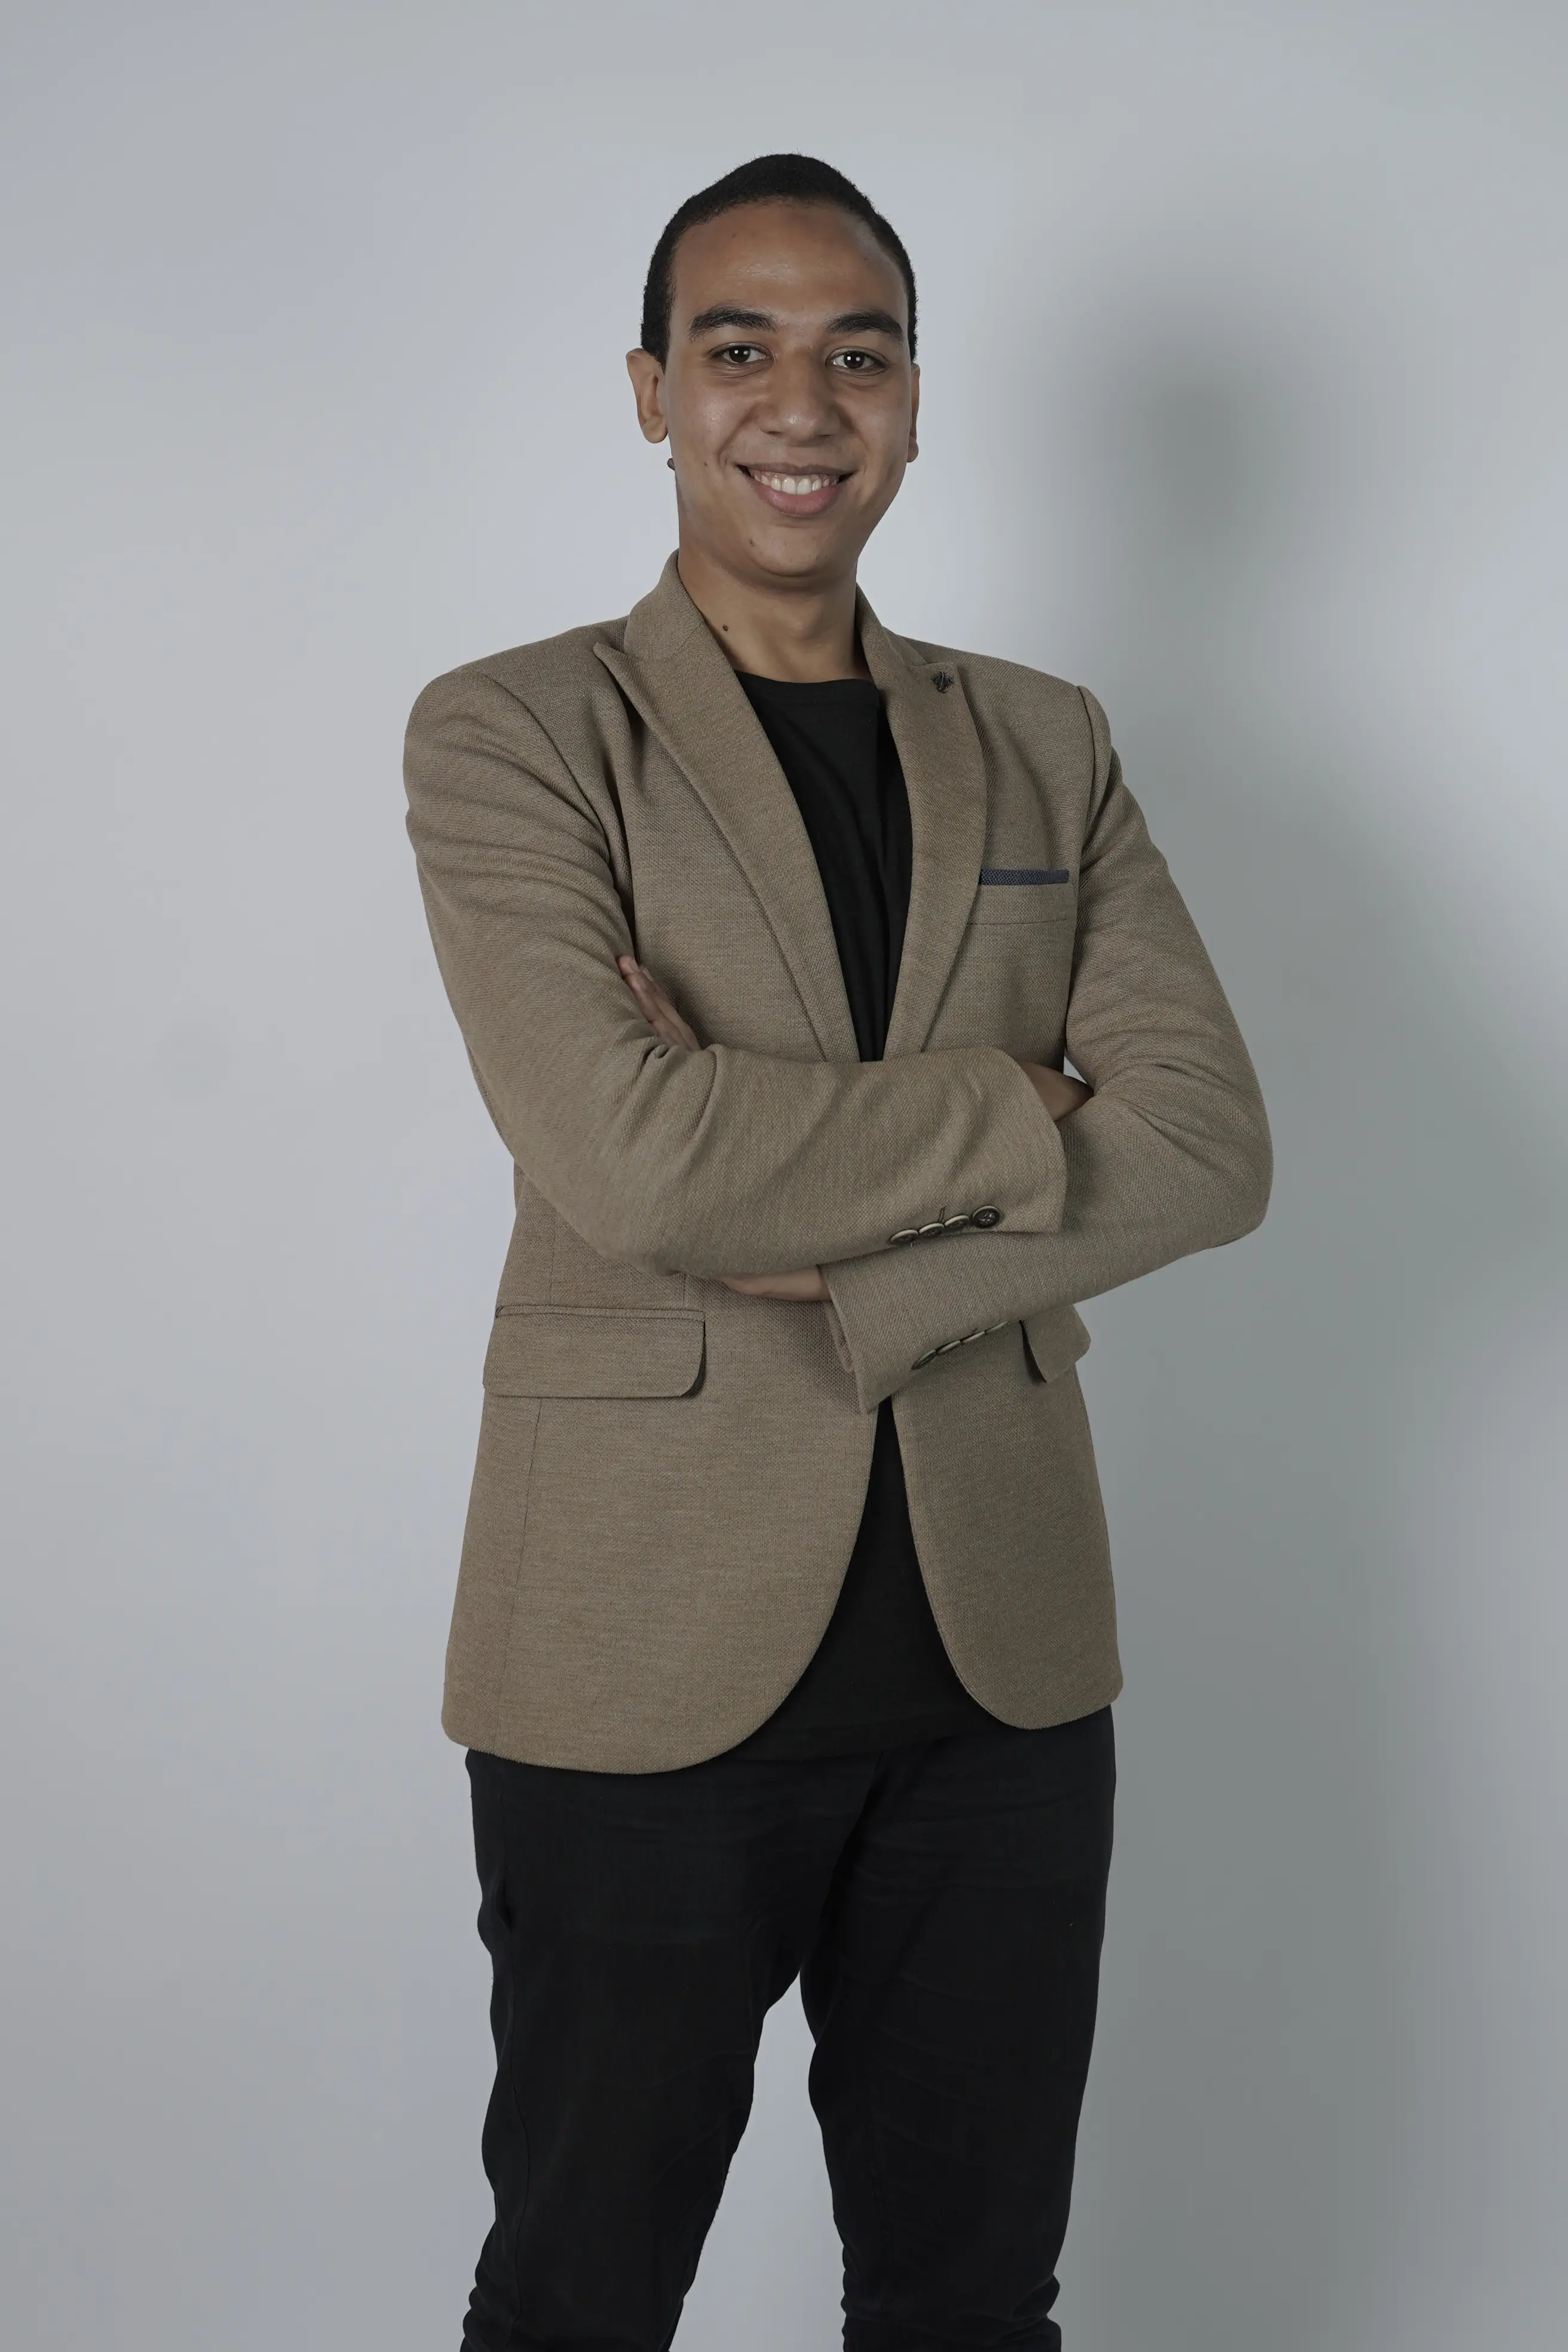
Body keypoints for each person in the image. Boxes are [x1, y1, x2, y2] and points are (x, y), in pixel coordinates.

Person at [404, 151, 1270, 2352]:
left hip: (1000, 1676)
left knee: (974, 2303)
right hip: (635, 1658)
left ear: (911, 401)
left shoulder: (1044, 741)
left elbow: (1208, 1148)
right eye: (741, 349)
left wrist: (867, 1259)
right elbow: (645, 1166)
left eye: (857, 353)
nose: (803, 403)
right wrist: (1023, 1104)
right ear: (651, 391)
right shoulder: (518, 732)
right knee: (583, 2292)